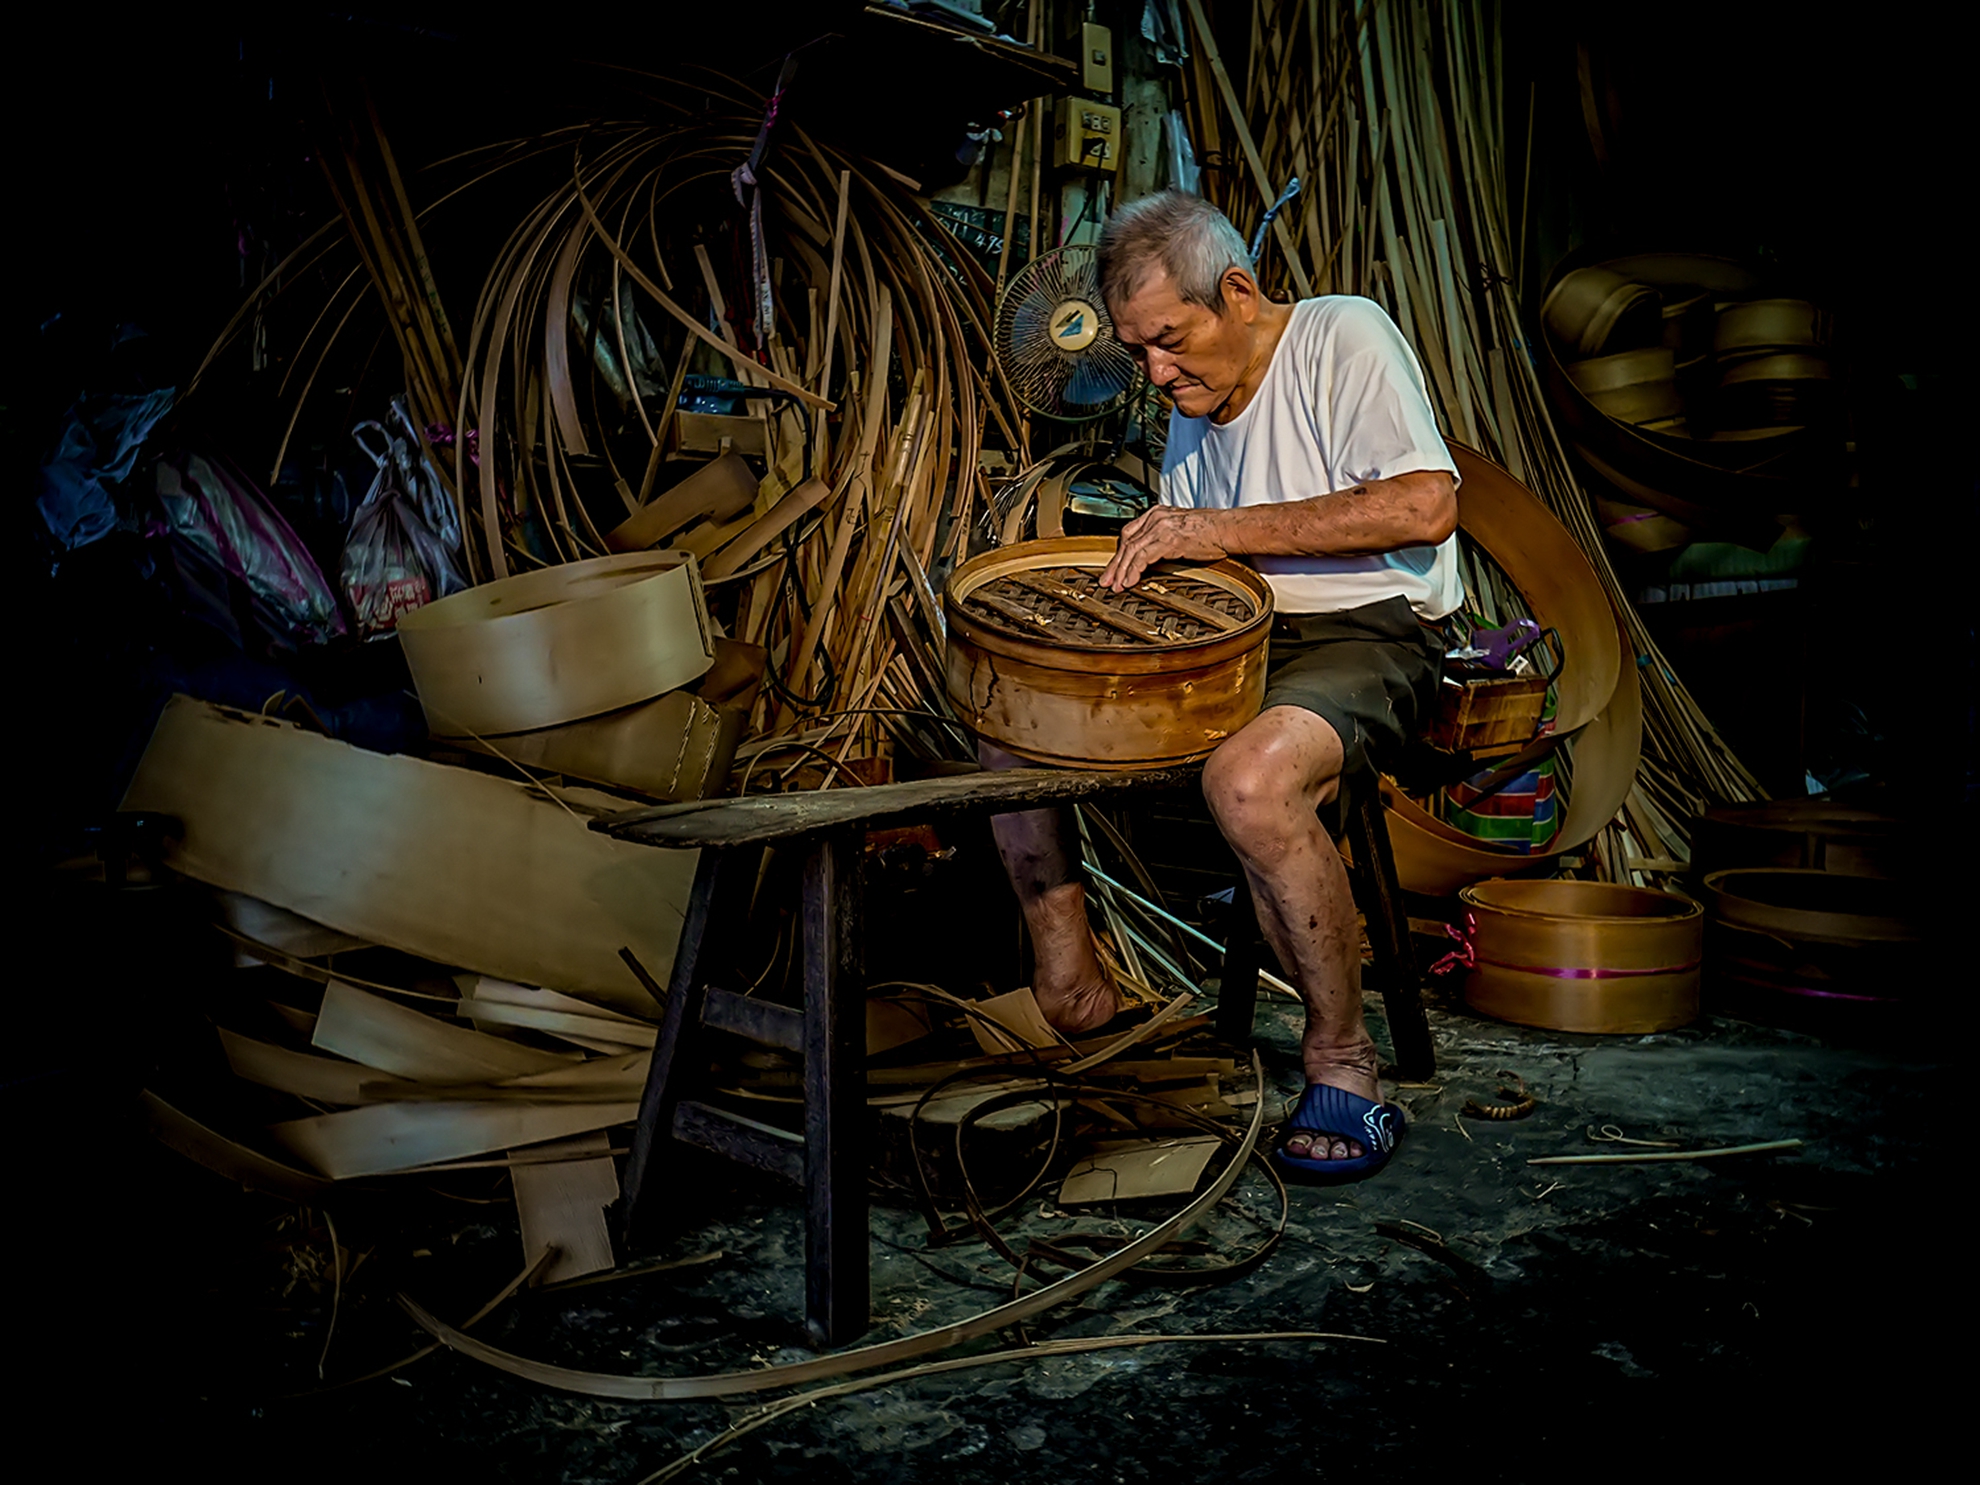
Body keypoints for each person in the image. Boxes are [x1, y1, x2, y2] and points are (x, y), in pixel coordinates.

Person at [981, 190, 1461, 1184]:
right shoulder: (1192, 412)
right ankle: (1075, 988)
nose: (1156, 373)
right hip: (1239, 641)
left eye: (1170, 340)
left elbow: (1425, 506)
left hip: (1369, 632)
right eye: (1137, 350)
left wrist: (1212, 531)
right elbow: (1208, 565)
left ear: (1236, 292)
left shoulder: (1339, 335)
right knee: (1013, 724)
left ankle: (1343, 1060)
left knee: (1249, 780)